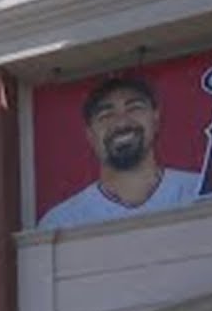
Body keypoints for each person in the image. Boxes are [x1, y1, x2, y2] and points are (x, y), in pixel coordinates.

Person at [38, 75, 200, 231]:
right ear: (90, 135)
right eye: (106, 115)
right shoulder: (62, 222)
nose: (121, 122)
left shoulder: (199, 193)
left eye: (134, 108)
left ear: (155, 120)